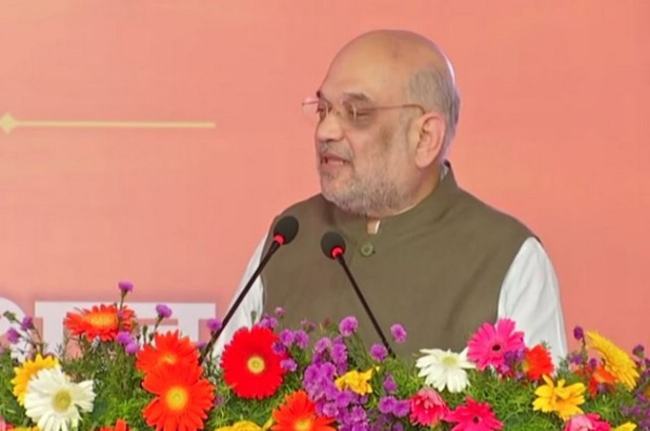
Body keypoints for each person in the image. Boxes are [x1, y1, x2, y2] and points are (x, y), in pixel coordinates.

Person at [217, 29, 567, 361]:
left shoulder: (507, 256)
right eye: (323, 110)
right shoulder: (288, 236)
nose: (325, 131)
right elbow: (222, 386)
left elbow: (542, 397)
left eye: (357, 113)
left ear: (425, 137)